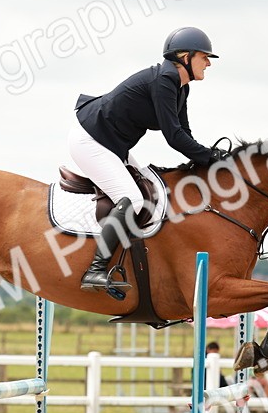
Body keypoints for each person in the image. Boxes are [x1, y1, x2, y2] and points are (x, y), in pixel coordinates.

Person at [70, 26, 228, 294]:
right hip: (91, 140)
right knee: (133, 199)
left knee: (149, 190)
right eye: (204, 57)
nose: (209, 64)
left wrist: (210, 156)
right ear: (185, 57)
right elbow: (174, 136)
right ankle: (95, 270)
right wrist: (211, 158)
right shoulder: (164, 81)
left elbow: (184, 132)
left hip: (112, 144)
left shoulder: (180, 87)